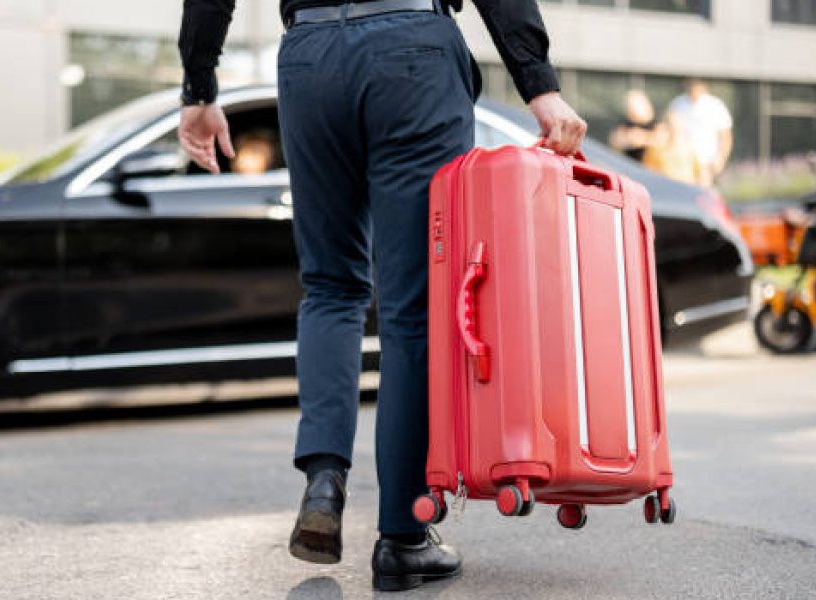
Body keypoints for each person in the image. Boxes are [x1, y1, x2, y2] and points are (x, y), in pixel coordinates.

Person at [177, 0, 585, 591]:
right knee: (414, 310)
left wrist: (199, 87)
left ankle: (323, 478)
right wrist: (538, 82)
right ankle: (402, 536)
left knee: (329, 286)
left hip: (310, 57)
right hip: (411, 53)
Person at [669, 78, 733, 183]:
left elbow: (725, 136)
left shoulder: (716, 105)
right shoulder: (677, 104)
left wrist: (721, 158)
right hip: (684, 163)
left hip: (706, 162)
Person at [642, 110, 705, 185]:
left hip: (687, 190)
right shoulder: (655, 150)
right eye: (671, 126)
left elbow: (700, 175)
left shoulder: (689, 150)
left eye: (678, 126)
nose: (675, 129)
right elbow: (648, 174)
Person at [610, 89, 657, 162]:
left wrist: (641, 138)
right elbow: (615, 141)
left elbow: (661, 141)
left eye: (636, 104)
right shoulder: (626, 125)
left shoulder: (657, 124)